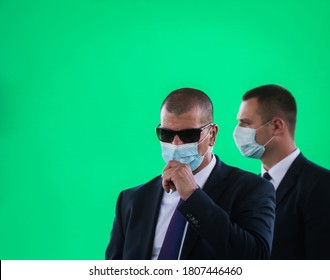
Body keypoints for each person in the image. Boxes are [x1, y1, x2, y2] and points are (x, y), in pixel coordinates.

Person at [105, 87, 275, 260]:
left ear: (212, 135)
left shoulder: (253, 189)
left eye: (189, 135)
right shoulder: (132, 200)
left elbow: (256, 258)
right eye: (166, 134)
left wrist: (194, 197)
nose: (176, 143)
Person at [233, 84, 330, 259]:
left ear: (277, 126)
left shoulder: (322, 185)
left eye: (245, 123)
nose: (237, 132)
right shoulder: (249, 189)